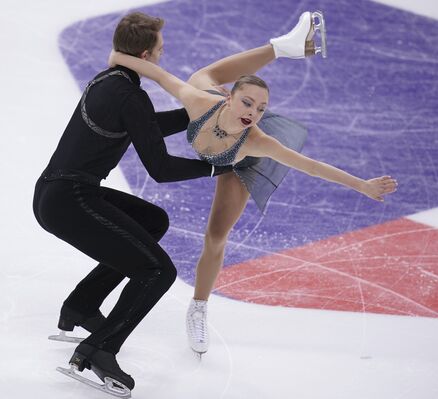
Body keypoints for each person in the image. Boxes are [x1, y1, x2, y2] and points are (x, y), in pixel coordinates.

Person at [108, 10, 398, 357]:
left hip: (236, 165)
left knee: (215, 236)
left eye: (261, 109)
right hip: (211, 103)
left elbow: (313, 167)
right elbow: (149, 70)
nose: (253, 112)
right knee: (202, 76)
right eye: (247, 102)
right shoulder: (199, 99)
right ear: (228, 97)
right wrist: (118, 58)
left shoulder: (258, 142)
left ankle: (198, 307)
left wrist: (362, 186)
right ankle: (282, 46)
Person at [32, 12, 234, 396]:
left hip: (56, 192)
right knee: (157, 271)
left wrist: (202, 111)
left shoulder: (110, 81)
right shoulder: (130, 94)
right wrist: (216, 169)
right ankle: (99, 350)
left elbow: (145, 125)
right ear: (146, 52)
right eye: (160, 48)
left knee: (151, 221)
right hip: (71, 200)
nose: (163, 52)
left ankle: (82, 306)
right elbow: (159, 168)